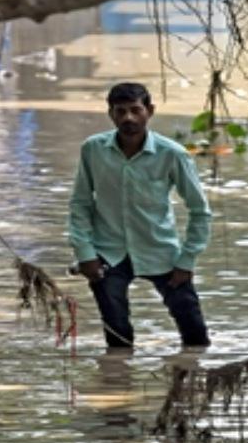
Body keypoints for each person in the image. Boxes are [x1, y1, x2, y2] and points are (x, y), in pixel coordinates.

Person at [68, 83, 212, 348]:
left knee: (195, 335)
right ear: (111, 114)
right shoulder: (93, 149)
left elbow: (200, 210)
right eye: (120, 111)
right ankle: (119, 384)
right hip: (108, 252)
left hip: (161, 251)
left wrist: (187, 260)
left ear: (150, 111)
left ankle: (193, 380)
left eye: (136, 110)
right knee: (117, 337)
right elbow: (80, 204)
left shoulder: (173, 154)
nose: (128, 118)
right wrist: (85, 254)